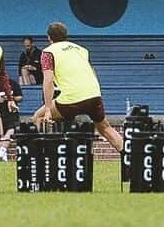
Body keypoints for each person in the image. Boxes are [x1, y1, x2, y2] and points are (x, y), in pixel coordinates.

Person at [38, 21, 123, 153]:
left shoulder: (48, 52)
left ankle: (39, 156)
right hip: (94, 94)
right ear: (66, 35)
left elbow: (48, 80)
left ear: (49, 37)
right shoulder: (81, 50)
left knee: (38, 116)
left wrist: (48, 109)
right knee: (104, 127)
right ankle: (129, 157)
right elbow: (92, 72)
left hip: (72, 98)